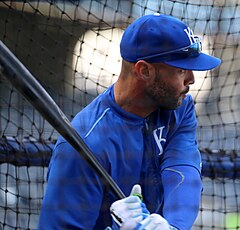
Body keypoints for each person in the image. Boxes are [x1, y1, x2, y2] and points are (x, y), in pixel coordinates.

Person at [38, 13, 221, 230]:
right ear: (144, 71)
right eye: (181, 70)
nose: (191, 79)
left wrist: (172, 227)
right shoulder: (83, 145)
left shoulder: (179, 110)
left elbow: (183, 172)